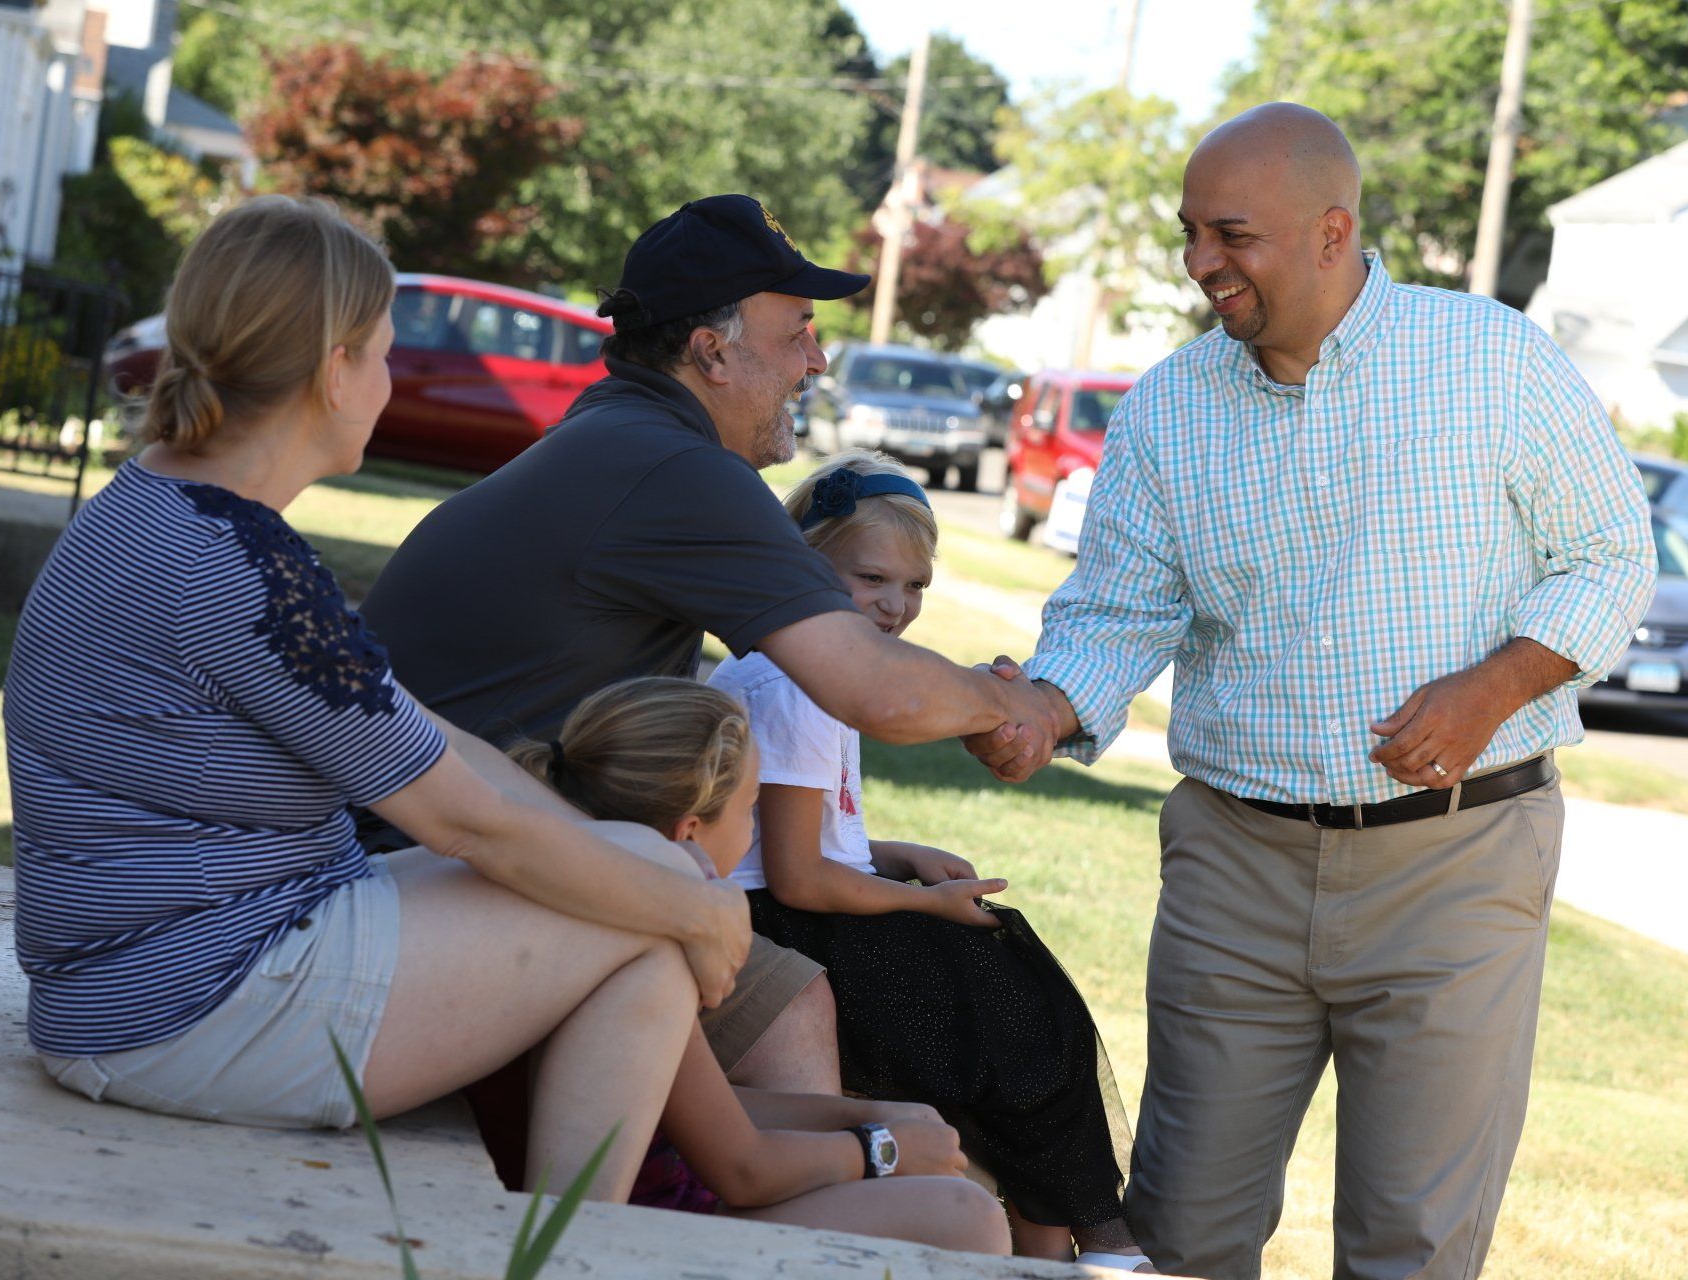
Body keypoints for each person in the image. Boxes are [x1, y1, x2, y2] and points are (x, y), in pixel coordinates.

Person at [964, 104, 1655, 1278]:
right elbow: (1120, 606)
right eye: (1188, 233)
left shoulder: (1494, 360)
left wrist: (1497, 683)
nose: (1199, 264)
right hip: (1236, 865)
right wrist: (1044, 709)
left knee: (1412, 1245)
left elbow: (1612, 553)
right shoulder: (1171, 406)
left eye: (1231, 234)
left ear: (1333, 232)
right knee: (1182, 1230)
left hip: (1460, 862)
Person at [2, 196, 751, 1205]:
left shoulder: (159, 504)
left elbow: (424, 734)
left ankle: (568, 1239)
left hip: (138, 985)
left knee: (643, 894)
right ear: (334, 367)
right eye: (388, 354)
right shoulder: (239, 566)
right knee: (655, 917)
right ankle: (569, 1250)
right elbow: (466, 820)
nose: (393, 380)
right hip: (194, 1007)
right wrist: (699, 910)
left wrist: (646, 873)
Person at [359, 194, 1052, 1101]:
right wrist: (1018, 704)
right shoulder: (676, 468)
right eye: (800, 329)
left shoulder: (623, 435)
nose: (819, 358)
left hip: (445, 859)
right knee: (834, 1006)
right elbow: (875, 688)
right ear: (711, 350)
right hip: (423, 884)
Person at [707, 450, 1153, 1272]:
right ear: (804, 560)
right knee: (1014, 1017)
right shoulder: (801, 682)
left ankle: (1066, 1241)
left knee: (1022, 1002)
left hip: (810, 904)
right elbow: (799, 876)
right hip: (788, 927)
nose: (895, 606)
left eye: (914, 588)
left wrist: (897, 854)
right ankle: (1083, 1242)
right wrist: (921, 904)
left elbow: (796, 832)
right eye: (871, 578)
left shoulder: (811, 671)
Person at [497, 676, 1010, 1256]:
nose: (752, 832)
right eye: (750, 811)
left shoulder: (590, 893)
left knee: (945, 1182)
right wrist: (881, 1147)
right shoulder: (639, 945)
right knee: (964, 1216)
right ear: (689, 832)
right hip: (641, 1227)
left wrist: (869, 1113)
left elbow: (692, 1102)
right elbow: (742, 1168)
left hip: (655, 1193)